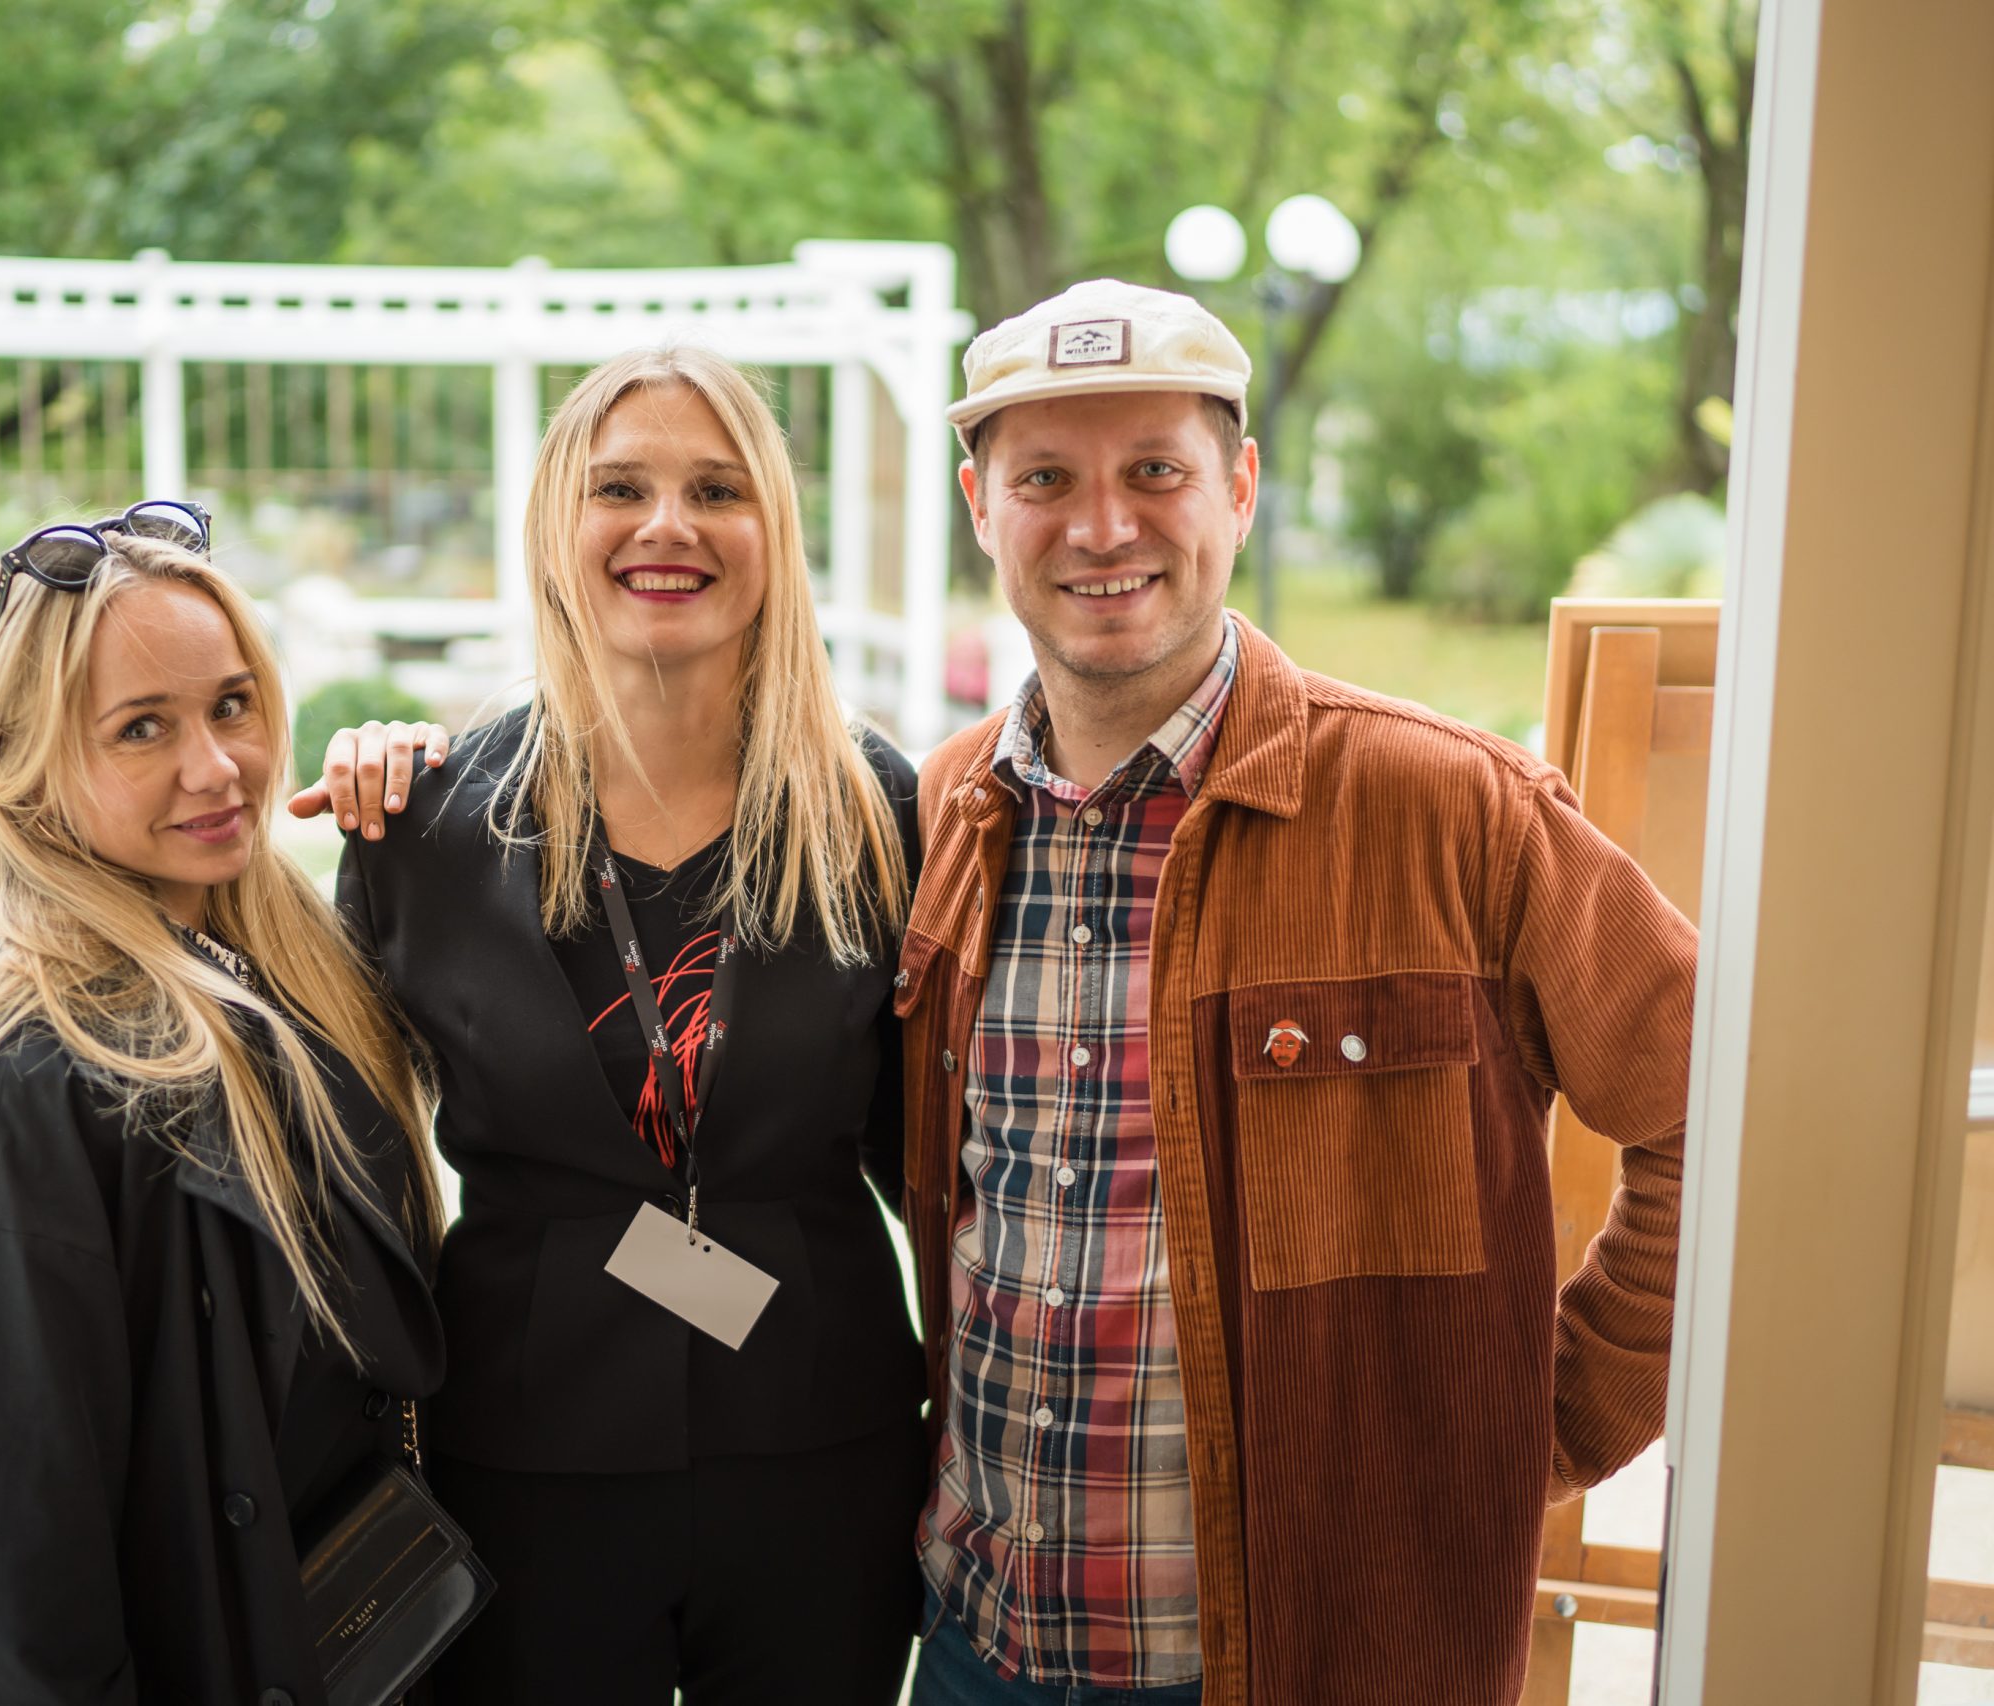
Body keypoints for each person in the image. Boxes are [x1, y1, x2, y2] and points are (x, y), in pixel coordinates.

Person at [894, 280, 1694, 1706]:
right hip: (978, 1644)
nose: (1102, 527)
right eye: (1045, 479)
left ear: (1242, 488)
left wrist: (1537, 1428)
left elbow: (1717, 1116)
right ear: (980, 506)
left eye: (1156, 470)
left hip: (1326, 1658)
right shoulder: (946, 809)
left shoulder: (1456, 808)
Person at [292, 347, 929, 1705]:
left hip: (819, 1454)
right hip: (526, 1465)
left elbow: (932, 1161)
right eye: (620, 488)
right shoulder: (425, 828)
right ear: (552, 528)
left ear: (774, 530)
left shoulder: (878, 811)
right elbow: (346, 1172)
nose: (667, 526)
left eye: (718, 490)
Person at [0, 503, 450, 1705]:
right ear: (24, 770)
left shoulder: (295, 988)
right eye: (142, 727)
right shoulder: (3, 1110)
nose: (216, 766)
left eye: (232, 705)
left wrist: (428, 801)